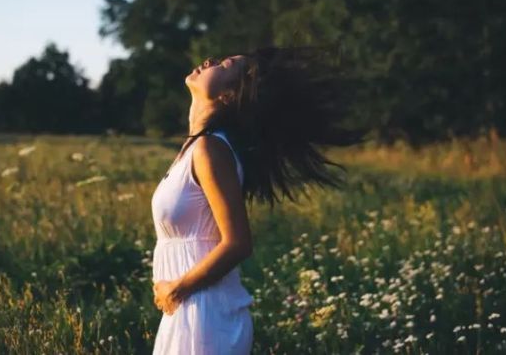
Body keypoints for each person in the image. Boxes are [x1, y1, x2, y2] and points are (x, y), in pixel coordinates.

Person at [150, 46, 370, 354]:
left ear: (228, 95)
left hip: (204, 313)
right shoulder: (195, 149)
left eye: (226, 66)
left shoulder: (209, 150)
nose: (212, 60)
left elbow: (237, 243)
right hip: (187, 309)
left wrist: (177, 288)